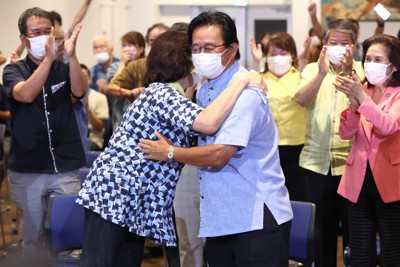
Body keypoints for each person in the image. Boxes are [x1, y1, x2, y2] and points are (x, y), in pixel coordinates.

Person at [77, 30, 265, 267]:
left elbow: (189, 117)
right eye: (195, 52)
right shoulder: (160, 93)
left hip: (131, 201)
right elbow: (207, 123)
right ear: (182, 60)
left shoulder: (170, 94)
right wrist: (243, 80)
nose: (200, 59)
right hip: (115, 197)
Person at [140, 11, 293, 267]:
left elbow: (219, 154)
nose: (202, 55)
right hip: (220, 217)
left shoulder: (246, 93)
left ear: (232, 50)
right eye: (196, 48)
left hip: (255, 215)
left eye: (209, 47)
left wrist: (169, 152)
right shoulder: (205, 88)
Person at [2, 6, 86, 255]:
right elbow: (25, 94)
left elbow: (79, 92)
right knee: (32, 240)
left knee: (69, 238)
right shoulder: (13, 70)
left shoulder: (63, 65)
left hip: (65, 162)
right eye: (35, 32)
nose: (43, 37)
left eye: (46, 31)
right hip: (28, 167)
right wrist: (48, 59)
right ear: (24, 39)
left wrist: (71, 56)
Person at [296, 19, 365, 267]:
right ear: (324, 44)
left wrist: (348, 73)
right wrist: (323, 73)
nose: (338, 47)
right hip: (315, 163)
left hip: (352, 163)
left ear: (354, 45)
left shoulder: (363, 70)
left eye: (344, 43)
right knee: (318, 232)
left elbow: (367, 106)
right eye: (332, 42)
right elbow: (302, 100)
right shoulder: (313, 69)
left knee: (355, 231)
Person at [334, 34, 400, 266]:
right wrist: (353, 108)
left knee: (393, 251)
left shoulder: (397, 93)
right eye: (368, 58)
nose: (371, 64)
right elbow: (345, 133)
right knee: (360, 251)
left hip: (391, 181)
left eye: (378, 59)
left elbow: (388, 125)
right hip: (358, 179)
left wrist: (361, 98)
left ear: (393, 65)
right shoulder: (365, 91)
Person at [259, 32, 307, 201]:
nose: (277, 58)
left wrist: (303, 60)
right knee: (271, 195)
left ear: (292, 55)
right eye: (273, 54)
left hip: (297, 145)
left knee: (297, 193)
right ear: (266, 56)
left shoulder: (300, 76)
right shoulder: (259, 78)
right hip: (267, 147)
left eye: (283, 53)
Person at [105, 31, 145, 131]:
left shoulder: (147, 66)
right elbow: (113, 85)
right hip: (120, 120)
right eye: (123, 45)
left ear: (141, 48)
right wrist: (122, 63)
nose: (126, 49)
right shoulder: (115, 66)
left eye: (130, 45)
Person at [81, 64, 109, 151]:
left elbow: (99, 128)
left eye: (84, 77)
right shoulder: (67, 97)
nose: (81, 80)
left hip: (93, 140)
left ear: (90, 80)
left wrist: (88, 111)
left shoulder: (100, 97)